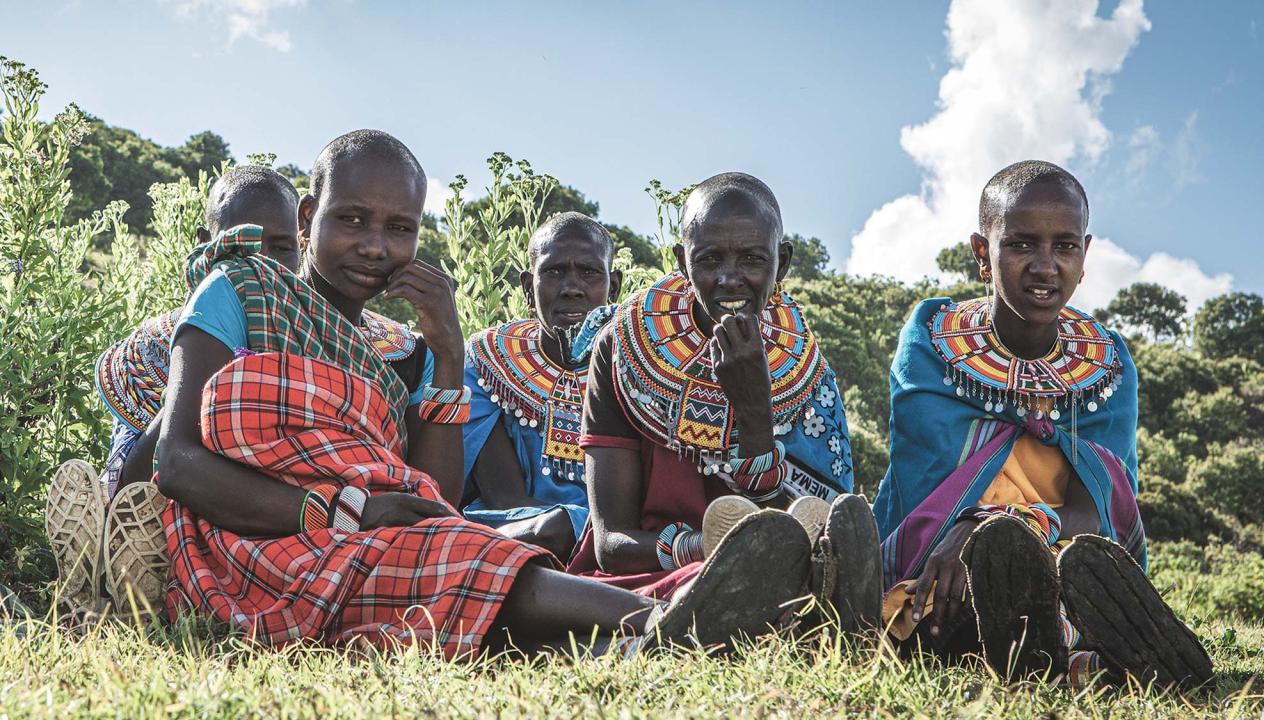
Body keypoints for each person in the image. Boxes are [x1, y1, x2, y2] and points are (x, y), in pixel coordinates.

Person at [156, 130, 809, 655]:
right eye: (352, 220)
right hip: (253, 542)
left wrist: (445, 349)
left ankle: (706, 609)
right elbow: (175, 461)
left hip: (368, 541)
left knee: (473, 552)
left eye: (400, 228)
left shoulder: (403, 352)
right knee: (471, 553)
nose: (376, 246)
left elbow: (431, 496)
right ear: (307, 218)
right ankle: (674, 622)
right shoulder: (238, 295)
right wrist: (339, 514)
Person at [874, 160, 1212, 687]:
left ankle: (1058, 651)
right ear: (983, 254)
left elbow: (1095, 513)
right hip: (938, 556)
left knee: (1066, 578)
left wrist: (995, 529)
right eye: (1022, 244)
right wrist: (963, 532)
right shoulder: (930, 340)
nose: (1045, 265)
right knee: (935, 609)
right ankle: (1091, 667)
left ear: (1085, 256)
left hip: (1059, 555)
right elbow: (924, 487)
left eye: (1065, 246)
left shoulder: (1109, 366)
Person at [567, 172, 881, 635]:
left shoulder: (805, 367)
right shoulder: (623, 349)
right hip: (664, 569)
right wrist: (702, 548)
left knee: (810, 558)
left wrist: (755, 409)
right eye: (709, 259)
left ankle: (805, 603)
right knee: (720, 585)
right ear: (681, 261)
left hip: (776, 560)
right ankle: (781, 610)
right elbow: (611, 543)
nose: (730, 279)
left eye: (753, 259)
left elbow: (806, 521)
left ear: (783, 262)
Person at [45, 166, 302, 615]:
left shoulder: (304, 330)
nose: (265, 265)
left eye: (282, 248)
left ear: (302, 244)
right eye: (244, 247)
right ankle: (102, 544)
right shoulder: (179, 332)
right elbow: (151, 458)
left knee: (179, 503)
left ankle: (122, 572)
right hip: (156, 436)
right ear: (208, 241)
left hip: (217, 477)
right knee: (132, 494)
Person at [460, 212, 621, 561]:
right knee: (553, 528)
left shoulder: (636, 369)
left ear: (615, 286)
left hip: (618, 534)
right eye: (553, 271)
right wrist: (572, 524)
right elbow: (504, 498)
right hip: (516, 529)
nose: (572, 287)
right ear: (526, 287)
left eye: (590, 273)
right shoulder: (489, 362)